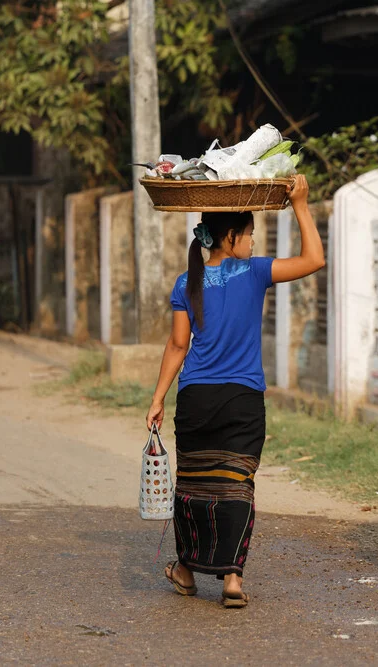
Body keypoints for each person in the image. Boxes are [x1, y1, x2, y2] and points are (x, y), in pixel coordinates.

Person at [145, 175, 324, 608]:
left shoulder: (186, 282)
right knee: (236, 486)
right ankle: (231, 578)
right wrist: (301, 203)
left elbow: (177, 346)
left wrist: (157, 399)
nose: (252, 241)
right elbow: (314, 258)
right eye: (248, 234)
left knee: (193, 487)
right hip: (242, 400)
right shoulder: (256, 272)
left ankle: (187, 569)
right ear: (230, 236)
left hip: (196, 400)